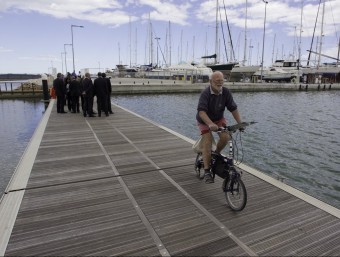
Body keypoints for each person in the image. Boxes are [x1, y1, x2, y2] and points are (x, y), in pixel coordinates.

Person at [196, 71, 243, 184]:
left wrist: (240, 123)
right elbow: (201, 112)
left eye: (222, 81)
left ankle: (215, 153)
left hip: (218, 119)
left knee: (226, 137)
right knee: (207, 141)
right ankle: (207, 171)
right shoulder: (205, 93)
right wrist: (210, 124)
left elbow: (233, 108)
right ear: (211, 81)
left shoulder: (225, 92)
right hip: (204, 120)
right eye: (217, 81)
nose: (220, 83)